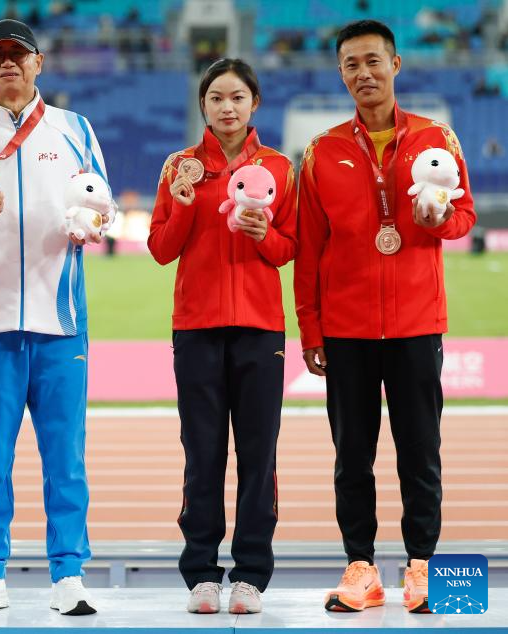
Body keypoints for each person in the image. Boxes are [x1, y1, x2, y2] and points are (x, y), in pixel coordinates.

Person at [294, 20, 476, 614]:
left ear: (395, 64)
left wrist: (438, 221)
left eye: (373, 61)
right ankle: (361, 568)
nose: (363, 73)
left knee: (420, 451)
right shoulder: (321, 151)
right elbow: (309, 250)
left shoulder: (435, 138)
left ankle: (421, 567)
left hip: (416, 323)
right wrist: (311, 329)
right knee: (352, 456)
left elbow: (465, 215)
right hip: (345, 328)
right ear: (340, 72)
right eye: (351, 64)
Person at [0, 18, 109, 616]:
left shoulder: (75, 128)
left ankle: (69, 574)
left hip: (61, 322)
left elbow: (102, 201)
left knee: (66, 459)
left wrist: (91, 222)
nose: (8, 62)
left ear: (39, 63)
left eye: (19, 53)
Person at [148, 58, 296, 615]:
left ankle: (251, 574)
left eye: (237, 97)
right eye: (216, 98)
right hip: (197, 328)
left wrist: (264, 235)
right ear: (203, 105)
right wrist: (185, 208)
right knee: (202, 452)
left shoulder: (279, 167)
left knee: (259, 454)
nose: (227, 107)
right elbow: (161, 249)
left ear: (254, 103)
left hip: (261, 329)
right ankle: (203, 575)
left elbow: (290, 248)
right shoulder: (180, 167)